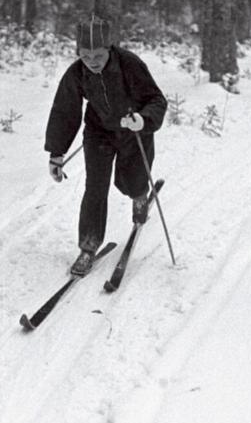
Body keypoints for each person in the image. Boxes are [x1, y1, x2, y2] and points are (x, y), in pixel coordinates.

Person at [45, 16, 167, 276]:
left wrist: (142, 120)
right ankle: (88, 247)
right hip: (98, 132)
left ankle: (139, 196)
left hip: (133, 130)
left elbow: (156, 99)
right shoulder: (77, 72)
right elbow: (65, 112)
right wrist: (56, 153)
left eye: (97, 54)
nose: (91, 60)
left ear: (109, 48)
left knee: (130, 181)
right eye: (85, 54)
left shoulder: (129, 64)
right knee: (95, 187)